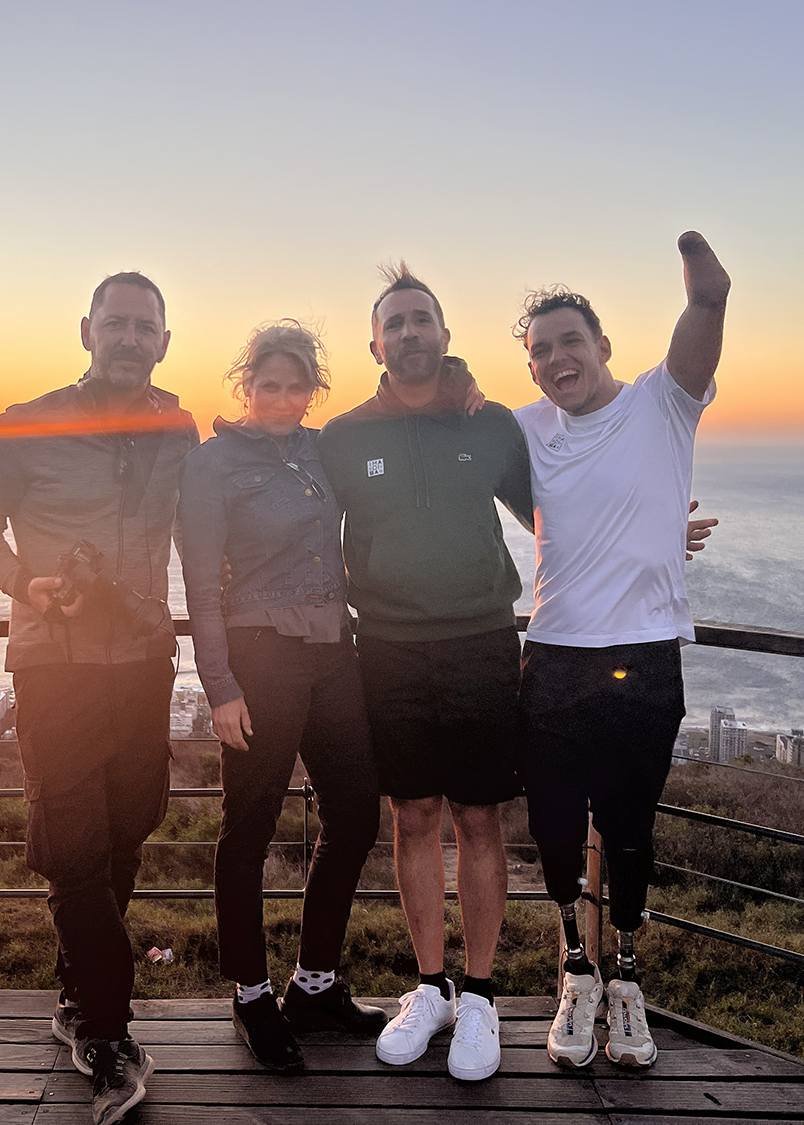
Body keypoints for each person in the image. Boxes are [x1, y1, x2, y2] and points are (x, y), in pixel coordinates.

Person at [0, 271, 198, 1125]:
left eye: (146, 326)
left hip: (142, 660)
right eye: (116, 323)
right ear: (86, 330)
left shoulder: (178, 424)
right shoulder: (23, 424)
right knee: (71, 842)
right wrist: (30, 581)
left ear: (163, 341)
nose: (130, 337)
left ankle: (74, 987)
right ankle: (106, 1024)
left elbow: (212, 511)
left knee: (129, 821)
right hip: (54, 664)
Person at [512, 232, 730, 1071]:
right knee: (558, 830)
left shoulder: (661, 401)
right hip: (555, 659)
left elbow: (697, 331)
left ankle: (629, 978)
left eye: (572, 340)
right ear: (531, 369)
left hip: (642, 660)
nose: (558, 357)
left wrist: (707, 295)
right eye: (541, 350)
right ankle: (577, 970)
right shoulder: (525, 429)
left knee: (631, 831)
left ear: (603, 346)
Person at [316, 267, 534, 1082]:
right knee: (412, 816)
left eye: (422, 321)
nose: (409, 334)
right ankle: (431, 988)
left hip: (481, 640)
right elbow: (292, 512)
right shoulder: (343, 436)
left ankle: (479, 995)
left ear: (445, 335)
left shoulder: (492, 422)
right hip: (390, 647)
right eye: (395, 324)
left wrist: (653, 527)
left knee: (479, 819)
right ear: (376, 344)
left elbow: (555, 512)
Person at [178, 321, 386, 1074]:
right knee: (250, 829)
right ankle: (251, 992)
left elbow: (385, 431)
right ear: (247, 385)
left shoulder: (318, 448)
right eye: (270, 383)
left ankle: (315, 982)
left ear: (312, 391)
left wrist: (461, 387)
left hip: (334, 652)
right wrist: (221, 685)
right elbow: (201, 585)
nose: (284, 396)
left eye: (298, 385)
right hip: (259, 660)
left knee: (357, 815)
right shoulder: (210, 464)